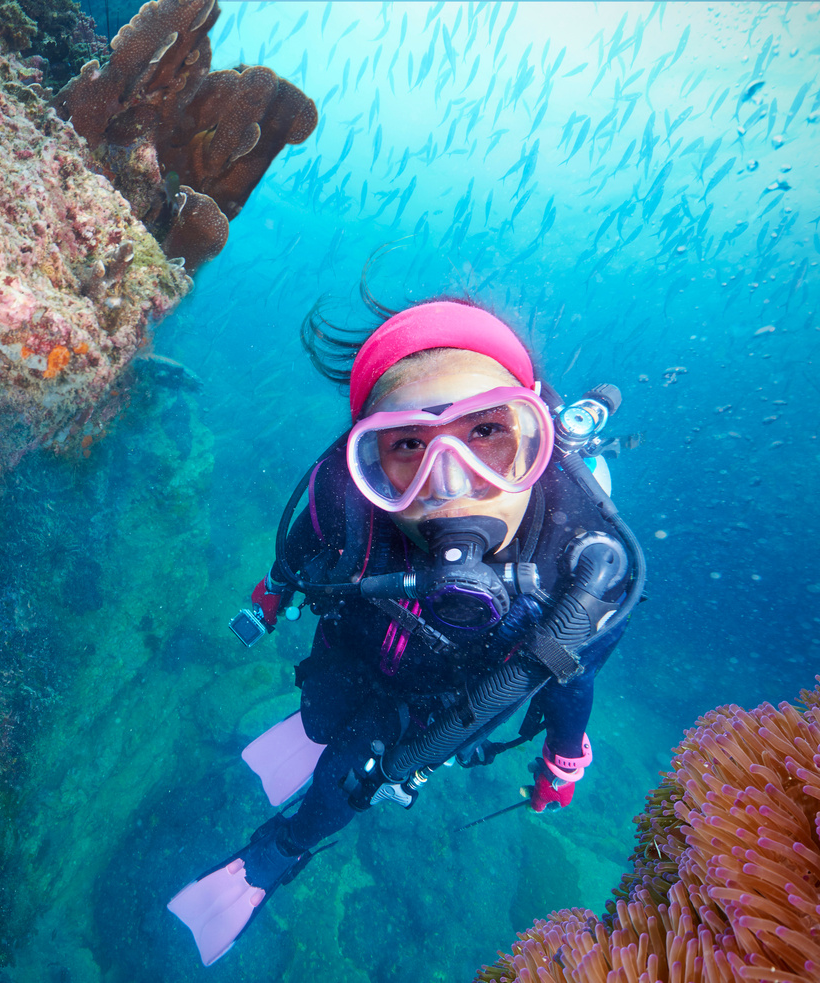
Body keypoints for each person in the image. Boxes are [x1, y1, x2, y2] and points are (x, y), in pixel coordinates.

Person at [167, 297, 645, 966]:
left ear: (536, 439)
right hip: (354, 647)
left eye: (487, 434)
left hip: (435, 704)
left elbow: (573, 674)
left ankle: (274, 855)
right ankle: (312, 742)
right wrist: (272, 598)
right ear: (369, 457)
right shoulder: (345, 496)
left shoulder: (583, 562)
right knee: (322, 710)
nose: (449, 484)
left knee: (353, 776)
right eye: (409, 446)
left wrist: (564, 757)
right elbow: (300, 549)